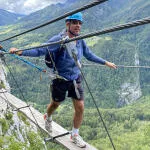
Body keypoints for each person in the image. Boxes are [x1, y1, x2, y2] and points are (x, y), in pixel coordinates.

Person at [9, 12, 117, 148]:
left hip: (75, 78)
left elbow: (89, 55)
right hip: (60, 80)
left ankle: (75, 135)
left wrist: (105, 62)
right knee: (55, 104)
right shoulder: (58, 40)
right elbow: (40, 50)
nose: (78, 26)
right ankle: (47, 117)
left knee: (80, 107)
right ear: (68, 24)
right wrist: (21, 51)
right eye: (75, 23)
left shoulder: (81, 40)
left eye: (80, 23)